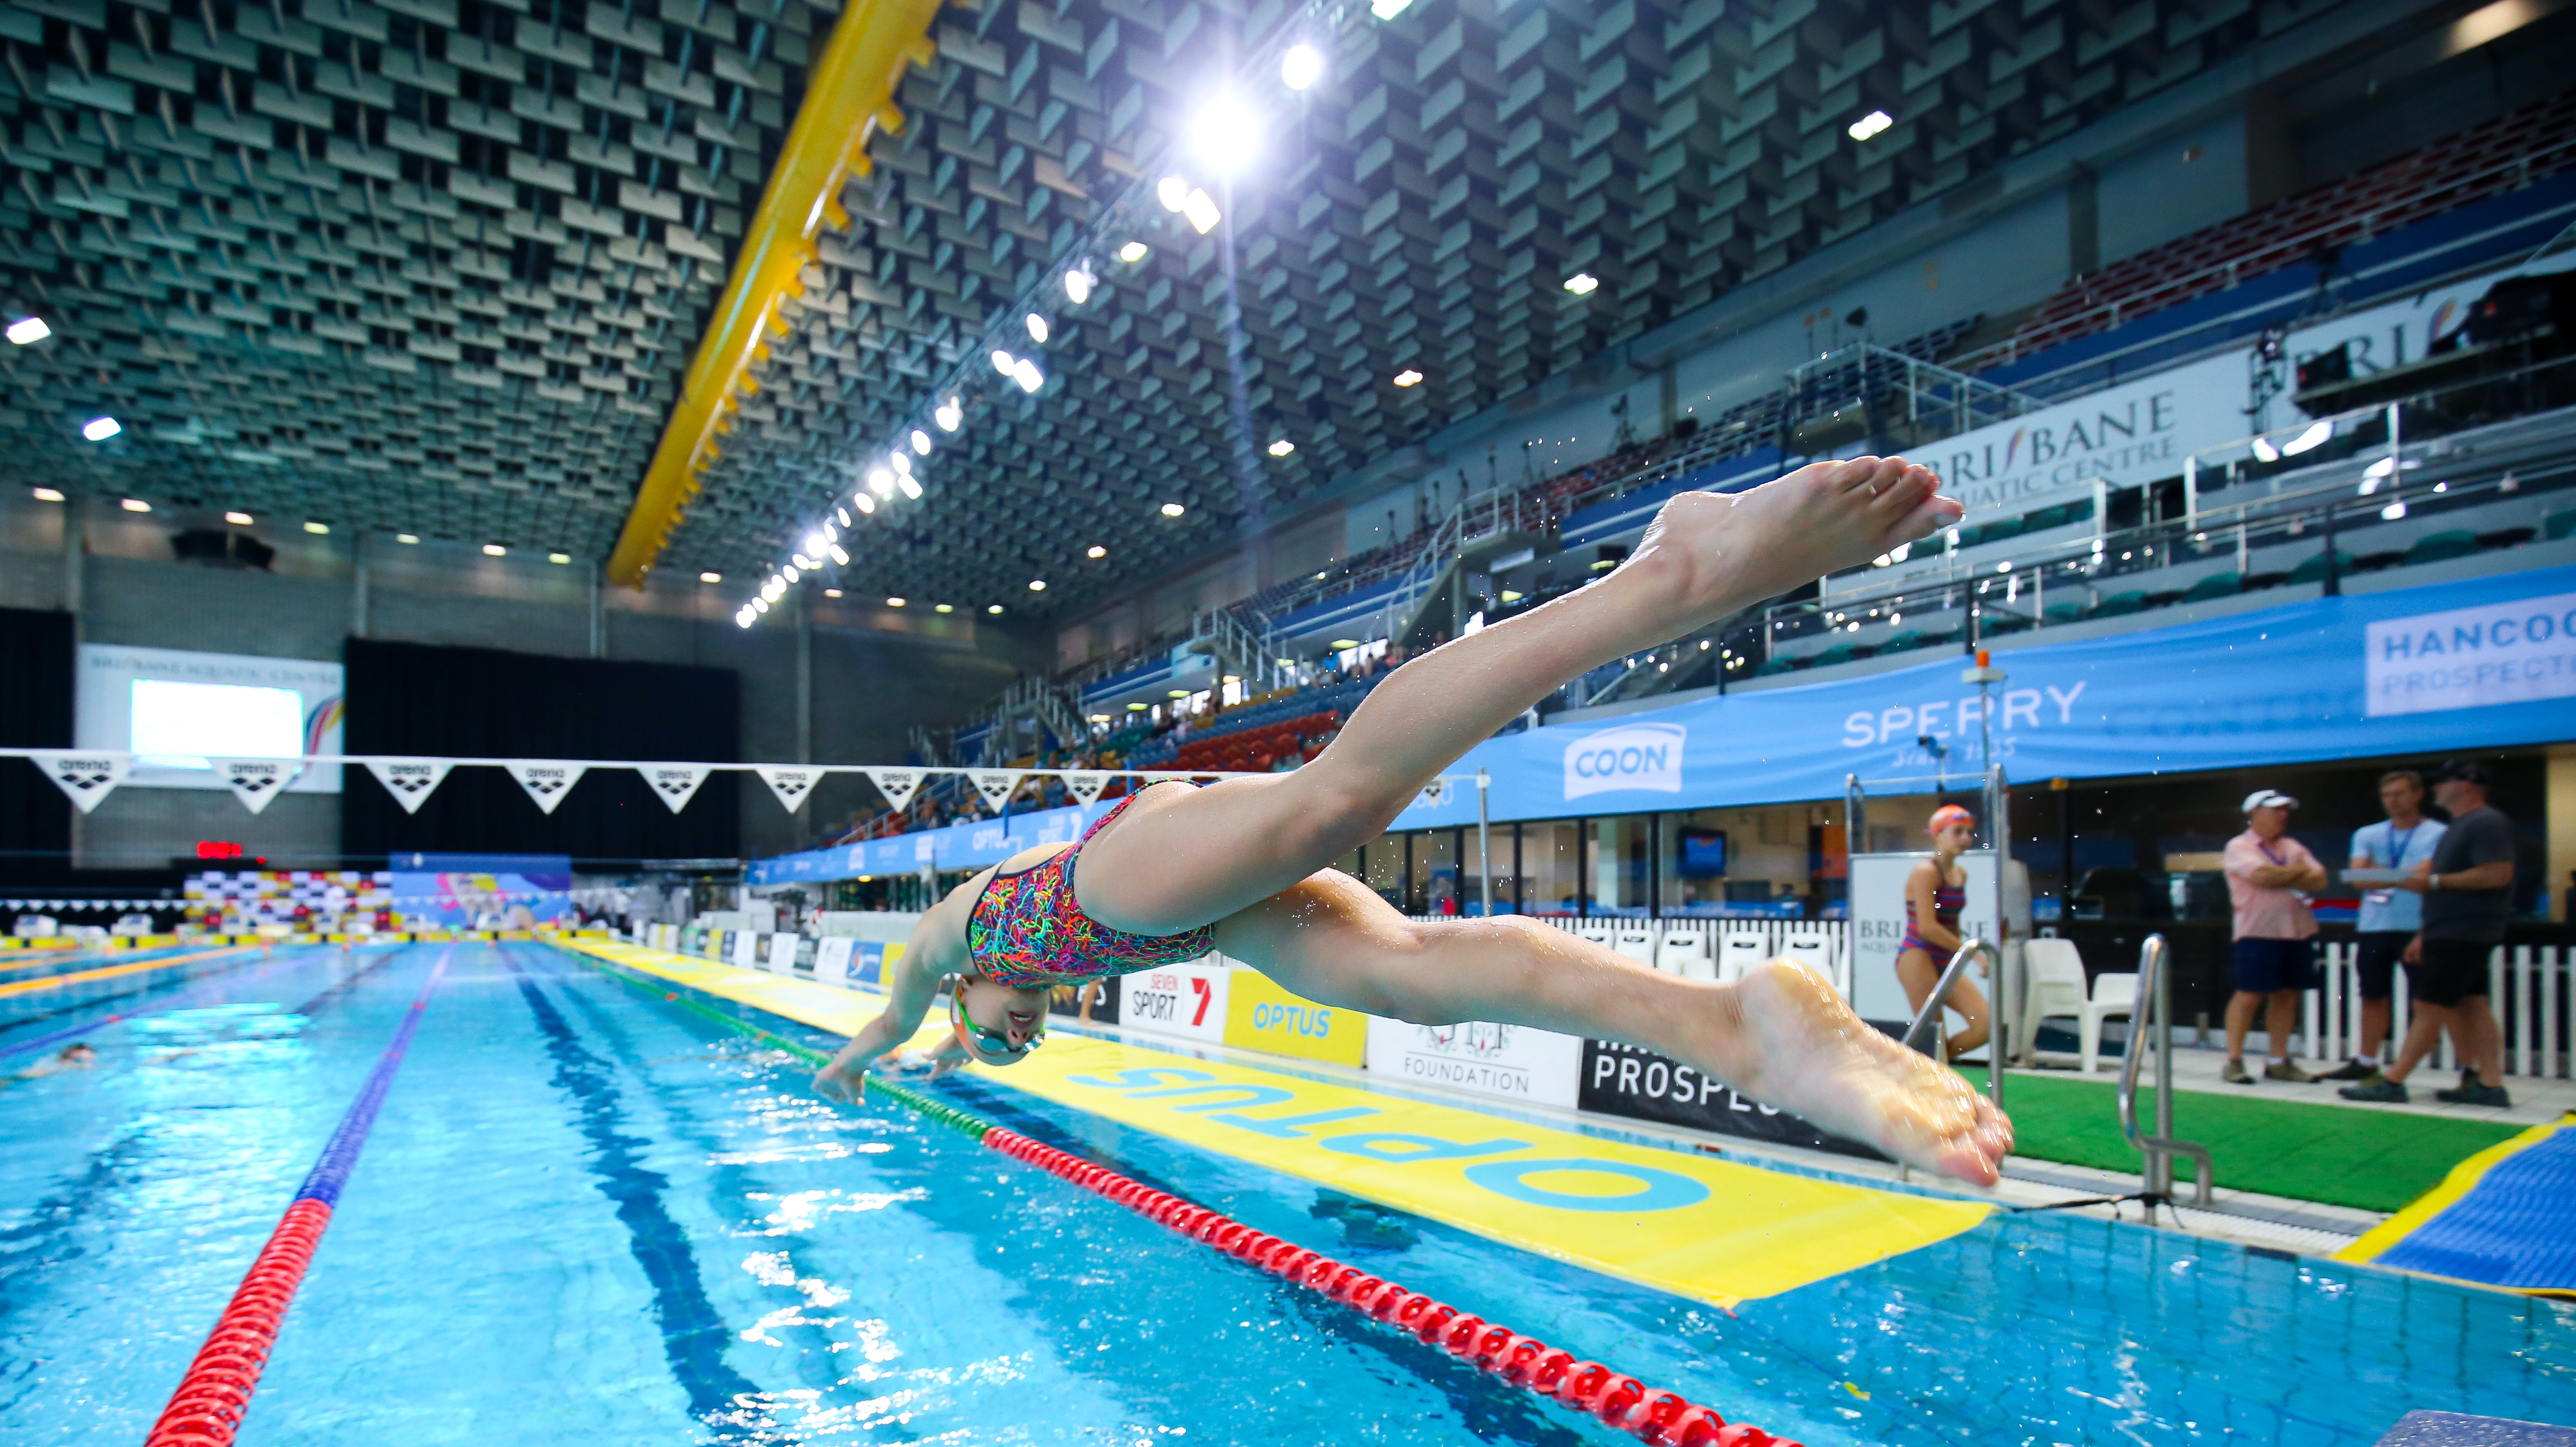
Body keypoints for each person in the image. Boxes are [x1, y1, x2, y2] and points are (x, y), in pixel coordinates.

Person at [811, 455, 2013, 1187]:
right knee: (1405, 976)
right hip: (1202, 924)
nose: (1020, 1034)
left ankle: (1666, 575)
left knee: (1337, 798)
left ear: (964, 992)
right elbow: (964, 1039)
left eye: (996, 1030)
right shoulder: (1001, 1009)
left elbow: (899, 1006)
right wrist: (949, 1059)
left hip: (1117, 877)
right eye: (1022, 1040)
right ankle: (1741, 1034)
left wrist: (865, 1057)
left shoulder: (959, 940)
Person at [2341, 760, 2518, 1106]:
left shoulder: (2485, 823)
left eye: (2442, 782)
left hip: (2463, 930)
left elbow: (2498, 874)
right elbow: (2364, 877)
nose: (2436, 788)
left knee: (2429, 1004)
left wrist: (2436, 881)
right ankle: (2491, 1084)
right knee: (2473, 1003)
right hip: (2453, 928)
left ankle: (2393, 1080)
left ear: (2465, 785)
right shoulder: (2462, 826)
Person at [2325, 769, 2438, 1082]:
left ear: (2418, 794)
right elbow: (2355, 879)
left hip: (2418, 927)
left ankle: (2409, 1067)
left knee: (2426, 1000)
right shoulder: (2368, 834)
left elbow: (2425, 881)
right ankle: (2366, 1060)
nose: (2392, 801)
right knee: (2372, 995)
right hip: (2374, 926)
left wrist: (2380, 871)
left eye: (2399, 794)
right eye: (2387, 795)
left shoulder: (2438, 834)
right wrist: (2405, 875)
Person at [2220, 789, 2327, 1084]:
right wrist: (2298, 871)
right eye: (2275, 811)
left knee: (2288, 995)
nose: (2283, 816)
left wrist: (2283, 873)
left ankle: (2278, 1061)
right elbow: (2262, 877)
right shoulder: (2239, 847)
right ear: (2254, 814)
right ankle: (2234, 1061)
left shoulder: (2292, 845)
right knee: (2249, 995)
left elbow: (2321, 879)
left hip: (2297, 932)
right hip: (2257, 933)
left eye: (2285, 811)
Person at [1896, 805, 1988, 1059]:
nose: (1966, 839)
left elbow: (1952, 925)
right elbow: (1927, 928)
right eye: (1957, 832)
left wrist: (1960, 956)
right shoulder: (1926, 872)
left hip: (1945, 958)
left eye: (1970, 833)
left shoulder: (1960, 874)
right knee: (1935, 1033)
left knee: (1986, 1025)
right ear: (1937, 835)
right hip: (1917, 955)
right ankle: (1932, 1065)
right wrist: (1975, 955)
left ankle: (1921, 1063)